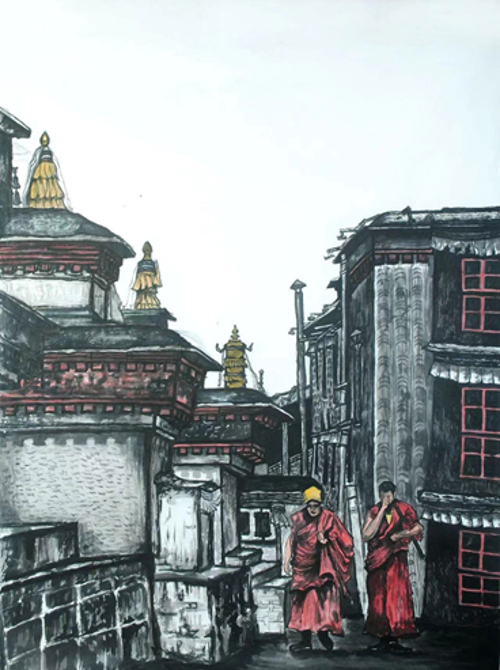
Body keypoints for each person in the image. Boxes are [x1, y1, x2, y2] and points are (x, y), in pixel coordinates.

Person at [284, 486, 354, 652]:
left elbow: (346, 541)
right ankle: (305, 640)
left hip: (322, 567)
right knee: (303, 604)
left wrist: (328, 539)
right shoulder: (299, 518)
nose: (313, 510)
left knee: (323, 602)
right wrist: (286, 560)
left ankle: (323, 633)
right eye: (310, 506)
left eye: (316, 506)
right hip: (303, 566)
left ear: (321, 505)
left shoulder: (329, 518)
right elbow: (292, 540)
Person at [362, 480, 424, 654]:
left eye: (389, 496)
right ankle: (382, 637)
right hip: (378, 560)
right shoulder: (374, 511)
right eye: (383, 497)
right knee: (378, 597)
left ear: (394, 494)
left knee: (396, 596)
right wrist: (382, 509)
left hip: (396, 558)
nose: (386, 500)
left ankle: (395, 637)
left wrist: (402, 534)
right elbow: (367, 535)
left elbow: (418, 527)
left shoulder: (404, 508)